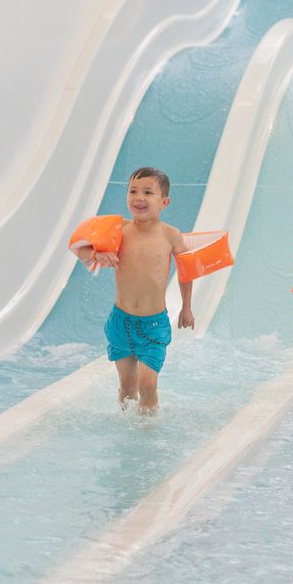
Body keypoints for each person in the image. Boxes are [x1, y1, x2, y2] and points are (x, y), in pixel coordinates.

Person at [73, 167, 194, 413]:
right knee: (127, 387)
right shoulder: (119, 230)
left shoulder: (171, 236)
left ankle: (148, 431)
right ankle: (127, 430)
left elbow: (185, 273)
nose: (138, 197)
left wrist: (187, 307)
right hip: (121, 321)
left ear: (164, 202)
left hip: (154, 326)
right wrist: (98, 254)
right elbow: (78, 246)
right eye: (133, 191)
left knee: (147, 385)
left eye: (148, 192)